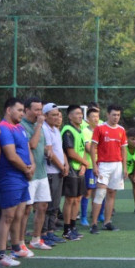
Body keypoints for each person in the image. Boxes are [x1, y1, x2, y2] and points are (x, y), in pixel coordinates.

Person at [0, 98, 34, 263]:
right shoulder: (3, 128)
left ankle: (16, 247)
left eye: (23, 110)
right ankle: (1, 254)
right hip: (10, 177)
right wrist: (26, 169)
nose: (22, 113)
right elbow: (11, 155)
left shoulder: (20, 127)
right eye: (19, 110)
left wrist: (32, 166)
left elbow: (27, 149)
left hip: (22, 176)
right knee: (8, 216)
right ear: (8, 110)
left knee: (19, 214)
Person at [89, 104, 128, 233]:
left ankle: (107, 222)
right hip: (103, 165)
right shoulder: (100, 128)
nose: (116, 117)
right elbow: (93, 148)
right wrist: (94, 165)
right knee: (100, 194)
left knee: (111, 193)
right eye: (114, 115)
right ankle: (94, 224)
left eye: (118, 115)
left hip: (117, 165)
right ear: (107, 115)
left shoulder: (121, 130)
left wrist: (125, 168)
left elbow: (123, 150)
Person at [22, 96, 53, 250]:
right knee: (27, 209)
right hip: (29, 174)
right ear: (27, 110)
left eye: (41, 109)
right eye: (36, 110)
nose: (39, 113)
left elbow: (42, 145)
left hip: (41, 173)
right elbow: (32, 145)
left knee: (43, 206)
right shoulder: (22, 126)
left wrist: (48, 152)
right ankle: (20, 242)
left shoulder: (38, 126)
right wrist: (40, 125)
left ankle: (36, 239)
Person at [61, 104, 90, 240]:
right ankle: (66, 229)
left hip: (79, 169)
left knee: (78, 198)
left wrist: (83, 165)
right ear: (70, 116)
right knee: (70, 199)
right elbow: (70, 152)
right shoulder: (67, 130)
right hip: (71, 168)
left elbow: (82, 150)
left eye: (81, 113)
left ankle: (73, 227)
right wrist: (85, 162)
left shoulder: (80, 130)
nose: (80, 116)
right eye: (77, 113)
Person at [42, 103, 68, 244]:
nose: (57, 117)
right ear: (45, 116)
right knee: (48, 205)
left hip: (58, 171)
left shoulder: (56, 130)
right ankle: (44, 233)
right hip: (50, 172)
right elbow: (50, 152)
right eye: (53, 115)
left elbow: (60, 150)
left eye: (58, 114)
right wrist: (61, 167)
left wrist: (66, 165)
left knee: (55, 204)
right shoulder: (44, 129)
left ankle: (51, 232)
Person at [80, 105, 100, 226]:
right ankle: (83, 217)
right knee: (88, 192)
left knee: (100, 191)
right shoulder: (85, 131)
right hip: (90, 166)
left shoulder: (101, 130)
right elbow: (88, 149)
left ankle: (99, 215)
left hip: (102, 165)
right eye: (93, 116)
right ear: (87, 119)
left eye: (97, 116)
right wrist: (101, 149)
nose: (96, 119)